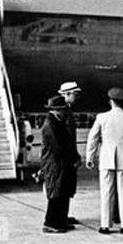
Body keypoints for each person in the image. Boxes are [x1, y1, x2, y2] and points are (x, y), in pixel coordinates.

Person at [86, 87, 123, 234]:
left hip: (106, 158)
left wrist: (90, 157)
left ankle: (105, 225)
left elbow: (93, 138)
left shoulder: (101, 117)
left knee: (106, 192)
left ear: (111, 101)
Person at [40, 95, 77, 233]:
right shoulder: (50, 125)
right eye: (64, 110)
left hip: (61, 163)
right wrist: (71, 158)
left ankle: (60, 220)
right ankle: (51, 222)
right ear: (57, 110)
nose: (66, 113)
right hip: (55, 164)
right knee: (56, 193)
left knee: (63, 192)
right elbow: (58, 147)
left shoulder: (56, 122)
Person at [59, 81, 85, 224]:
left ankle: (64, 215)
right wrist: (73, 155)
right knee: (63, 186)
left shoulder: (66, 110)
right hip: (66, 156)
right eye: (75, 94)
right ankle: (61, 216)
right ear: (66, 94)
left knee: (67, 186)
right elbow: (66, 138)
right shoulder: (63, 112)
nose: (77, 97)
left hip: (69, 154)